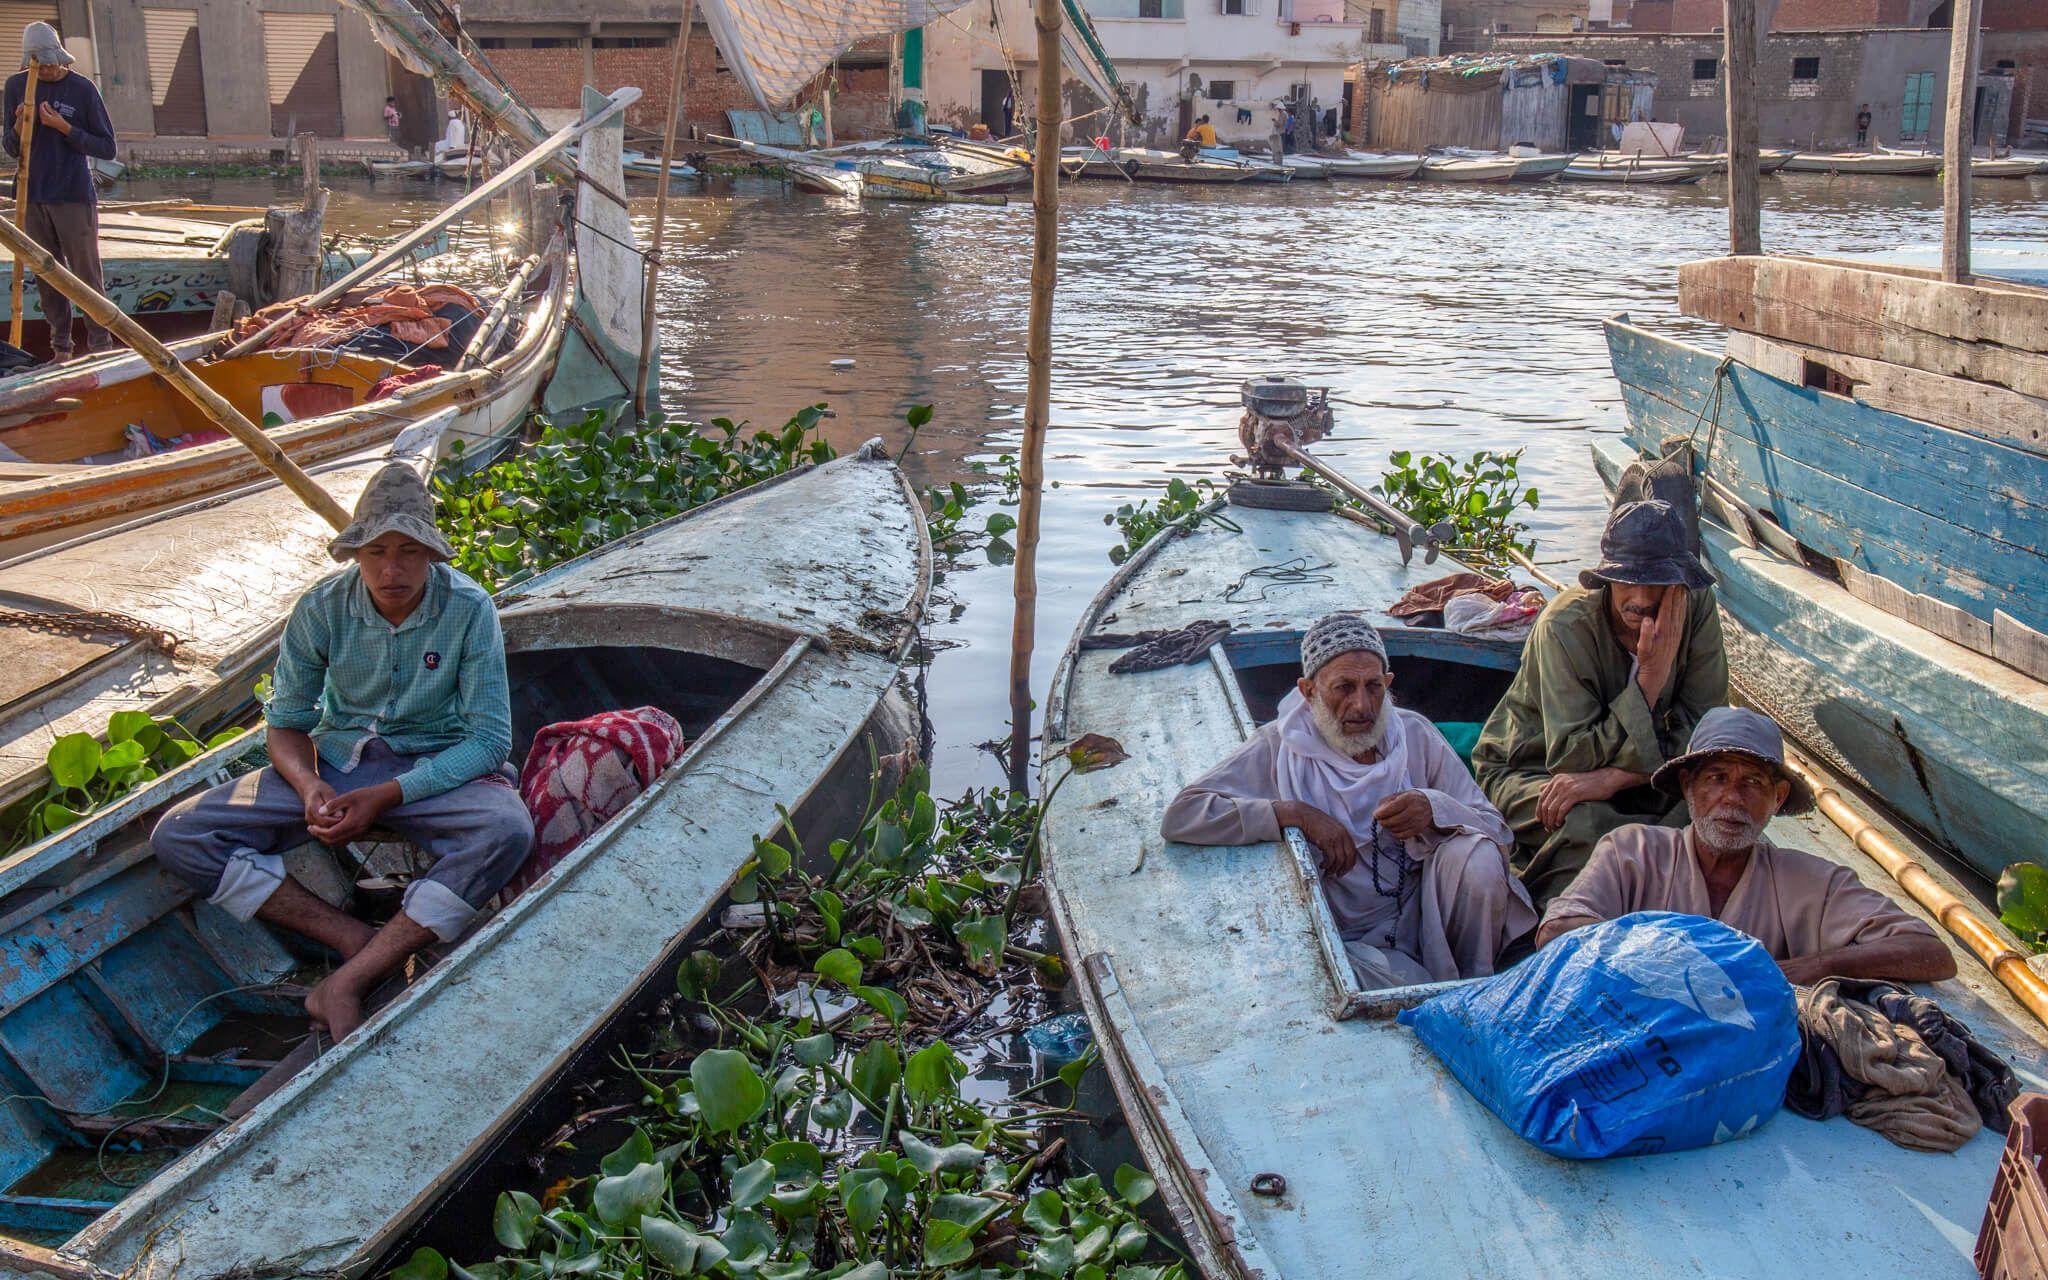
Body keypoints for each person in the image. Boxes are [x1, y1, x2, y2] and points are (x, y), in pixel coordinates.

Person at [152, 464, 534, 1040]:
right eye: (376, 550)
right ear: (356, 553)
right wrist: (309, 787)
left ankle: (347, 981)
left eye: (409, 551)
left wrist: (385, 794)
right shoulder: (321, 608)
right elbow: (284, 725)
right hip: (336, 764)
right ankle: (357, 942)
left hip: (431, 770)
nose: (391, 568)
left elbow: (488, 740)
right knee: (180, 834)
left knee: (507, 829)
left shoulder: (469, 609)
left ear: (432, 554)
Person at [1162, 614, 1537, 989]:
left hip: (1428, 909)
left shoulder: (1413, 734)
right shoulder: (1277, 746)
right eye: (1343, 687)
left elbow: (1496, 830)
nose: (1361, 705)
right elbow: (1182, 815)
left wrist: (1433, 808)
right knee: (1405, 984)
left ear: (1388, 684)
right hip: (1353, 936)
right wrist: (1294, 813)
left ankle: (1476, 984)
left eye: (1373, 686)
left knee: (1479, 857)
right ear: (1309, 691)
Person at [1537, 708, 1956, 985]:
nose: (1732, 799)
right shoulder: (1633, 850)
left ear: (1776, 799)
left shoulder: (1810, 881)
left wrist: (1813, 967)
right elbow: (1558, 928)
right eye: (1716, 778)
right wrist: (1665, 967)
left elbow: (1930, 953)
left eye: (1751, 783)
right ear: (1689, 788)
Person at [1473, 498, 1727, 907]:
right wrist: (1649, 679)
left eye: (1657, 584)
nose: (1641, 599)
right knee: (1590, 828)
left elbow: (1707, 732)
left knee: (1712, 822)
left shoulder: (1696, 608)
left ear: (1679, 584)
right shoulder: (1564, 626)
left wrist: (1618, 778)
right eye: (1628, 582)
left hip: (1649, 774)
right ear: (1608, 579)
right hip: (1533, 767)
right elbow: (1571, 759)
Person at [3, 22, 115, 361]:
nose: (49, 69)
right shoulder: (17, 86)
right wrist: (21, 125)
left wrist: (63, 127)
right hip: (33, 195)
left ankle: (101, 345)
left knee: (85, 273)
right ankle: (61, 349)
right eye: (42, 62)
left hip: (72, 196)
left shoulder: (82, 89)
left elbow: (106, 147)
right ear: (30, 62)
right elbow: (11, 148)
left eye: (53, 62)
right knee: (46, 274)